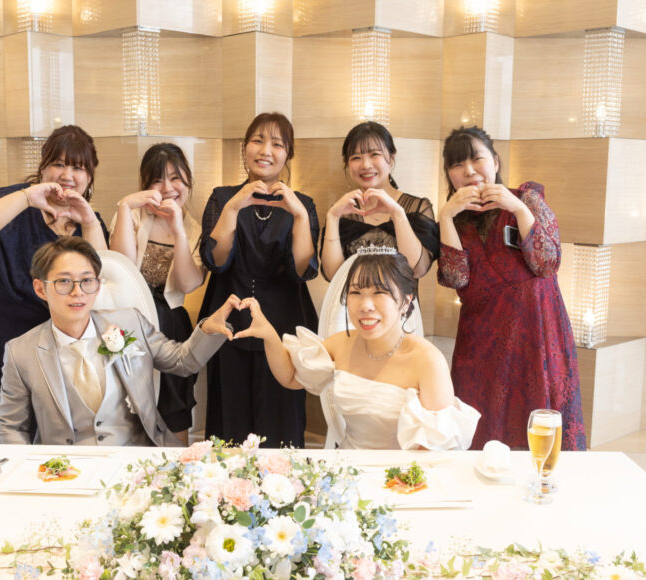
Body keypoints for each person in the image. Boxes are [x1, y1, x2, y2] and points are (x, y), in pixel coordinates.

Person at [0, 125, 109, 443]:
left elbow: (101, 285)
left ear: (90, 177)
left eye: (78, 167)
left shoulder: (89, 220)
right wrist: (25, 198)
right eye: (58, 164)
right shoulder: (12, 201)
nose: (67, 175)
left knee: (48, 434)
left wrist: (89, 220)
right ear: (43, 167)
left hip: (51, 347)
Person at [0, 237, 236, 446]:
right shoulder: (20, 351)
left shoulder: (130, 322)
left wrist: (208, 329)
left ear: (98, 285)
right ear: (40, 289)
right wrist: (31, 470)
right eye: (64, 281)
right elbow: (10, 427)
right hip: (68, 469)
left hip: (137, 459)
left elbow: (183, 362)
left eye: (87, 280)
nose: (78, 292)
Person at [235, 250, 479, 450]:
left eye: (379, 293)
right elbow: (290, 377)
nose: (365, 305)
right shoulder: (341, 344)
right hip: (349, 469)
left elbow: (435, 449)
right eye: (356, 293)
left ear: (406, 301)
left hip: (404, 478)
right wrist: (269, 335)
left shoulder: (427, 361)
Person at [437, 125, 586, 451]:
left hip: (537, 336)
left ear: (495, 161)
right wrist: (445, 217)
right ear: (449, 175)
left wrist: (517, 208)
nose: (469, 171)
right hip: (482, 341)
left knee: (538, 426)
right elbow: (456, 278)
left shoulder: (527, 199)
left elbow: (547, 263)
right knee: (481, 428)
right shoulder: (456, 220)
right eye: (457, 164)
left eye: (477, 159)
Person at [198, 112, 320, 448]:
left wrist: (298, 215)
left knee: (282, 424)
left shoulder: (303, 204)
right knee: (228, 424)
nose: (266, 150)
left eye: (277, 144)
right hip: (229, 325)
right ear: (244, 148)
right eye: (257, 141)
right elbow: (216, 261)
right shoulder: (222, 197)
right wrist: (233, 207)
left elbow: (304, 269)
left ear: (288, 154)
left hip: (284, 329)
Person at [109, 143, 205, 444]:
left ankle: (178, 463)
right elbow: (121, 267)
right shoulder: (132, 214)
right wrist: (125, 207)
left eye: (175, 178)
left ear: (188, 180)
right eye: (157, 180)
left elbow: (188, 284)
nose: (167, 188)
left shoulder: (195, 228)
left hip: (171, 325)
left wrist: (178, 230)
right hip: (128, 321)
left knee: (174, 405)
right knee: (124, 403)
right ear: (144, 185)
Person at [320, 122, 439, 283]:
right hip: (352, 300)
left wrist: (397, 214)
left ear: (392, 157)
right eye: (356, 158)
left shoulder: (418, 208)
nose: (365, 165)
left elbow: (417, 269)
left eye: (375, 154)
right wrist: (333, 216)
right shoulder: (341, 212)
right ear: (347, 164)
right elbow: (333, 275)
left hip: (402, 300)